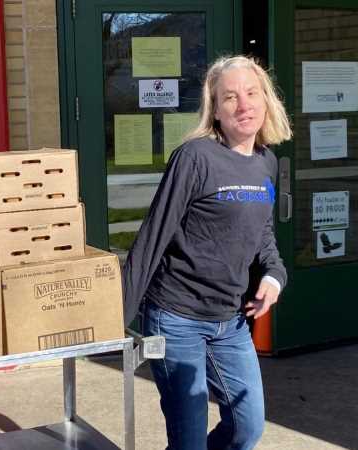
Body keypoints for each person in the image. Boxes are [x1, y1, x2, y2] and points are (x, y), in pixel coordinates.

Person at [122, 55, 292, 450]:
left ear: (266, 100)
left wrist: (273, 276)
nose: (243, 105)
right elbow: (151, 239)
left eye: (251, 93)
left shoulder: (267, 163)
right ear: (215, 110)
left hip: (230, 321)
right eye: (230, 97)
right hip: (176, 317)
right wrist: (116, 320)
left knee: (247, 427)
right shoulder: (195, 157)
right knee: (189, 438)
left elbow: (262, 233)